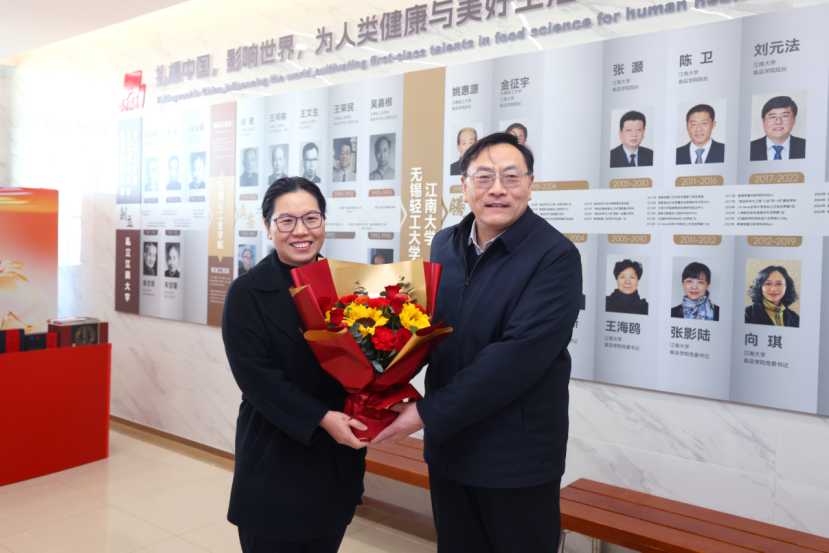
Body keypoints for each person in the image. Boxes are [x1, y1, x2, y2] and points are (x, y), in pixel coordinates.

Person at [373, 132, 582, 553]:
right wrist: (376, 378)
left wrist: (425, 412)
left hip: (514, 456)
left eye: (511, 176)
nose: (497, 189)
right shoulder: (445, 243)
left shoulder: (555, 256)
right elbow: (427, 329)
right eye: (484, 177)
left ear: (530, 184)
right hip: (449, 447)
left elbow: (516, 358)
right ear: (464, 186)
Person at [222, 176, 367, 553]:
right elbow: (257, 379)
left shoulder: (347, 285)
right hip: (276, 455)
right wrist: (322, 417)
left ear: (323, 222)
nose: (301, 231)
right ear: (268, 226)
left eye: (311, 218)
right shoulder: (246, 292)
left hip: (335, 458)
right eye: (286, 220)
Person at [750, 96, 806, 161]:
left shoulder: (807, 146)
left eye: (784, 116)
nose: (778, 122)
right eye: (772, 117)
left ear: (794, 119)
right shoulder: (748, 148)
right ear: (763, 121)